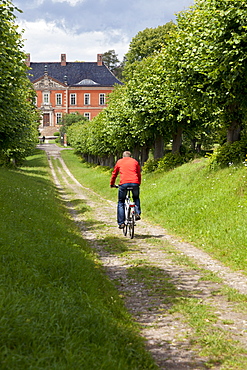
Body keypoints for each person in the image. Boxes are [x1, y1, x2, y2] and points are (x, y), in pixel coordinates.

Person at [110, 151, 141, 229]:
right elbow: (138, 173)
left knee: (121, 202)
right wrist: (138, 183)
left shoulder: (119, 162)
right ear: (130, 156)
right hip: (135, 183)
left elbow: (114, 174)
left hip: (124, 184)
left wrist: (112, 184)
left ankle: (121, 223)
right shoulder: (135, 161)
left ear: (123, 156)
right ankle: (137, 213)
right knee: (136, 197)